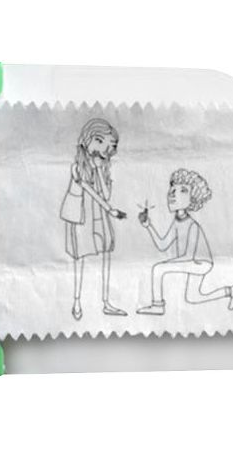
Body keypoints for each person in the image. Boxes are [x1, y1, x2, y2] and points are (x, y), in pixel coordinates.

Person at [136, 168, 233, 315]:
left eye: (183, 191)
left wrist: (167, 263)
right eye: (172, 189)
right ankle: (229, 291)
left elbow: (189, 256)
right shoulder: (177, 221)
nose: (173, 194)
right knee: (193, 297)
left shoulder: (192, 225)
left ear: (193, 199)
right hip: (195, 262)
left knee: (159, 269)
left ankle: (158, 306)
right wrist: (148, 226)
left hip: (200, 262)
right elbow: (162, 245)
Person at [60, 118, 128, 320]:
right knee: (80, 258)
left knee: (106, 252)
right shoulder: (77, 167)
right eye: (102, 142)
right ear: (90, 140)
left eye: (109, 146)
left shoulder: (102, 167)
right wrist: (110, 210)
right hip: (82, 215)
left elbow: (105, 194)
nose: (106, 149)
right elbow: (89, 191)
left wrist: (99, 169)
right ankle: (77, 301)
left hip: (98, 213)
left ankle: (106, 302)